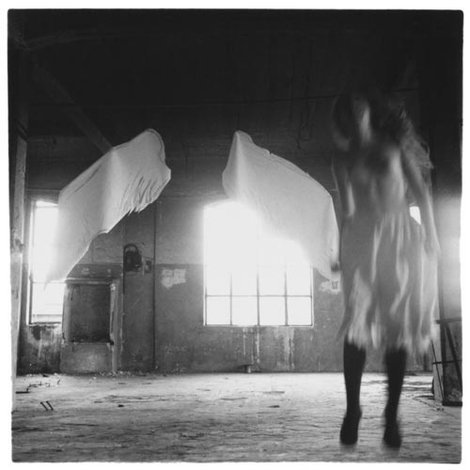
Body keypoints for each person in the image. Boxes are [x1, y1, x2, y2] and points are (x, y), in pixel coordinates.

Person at [330, 90, 440, 449]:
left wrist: (432, 236)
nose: (355, 112)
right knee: (356, 322)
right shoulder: (342, 158)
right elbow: (346, 210)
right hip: (362, 239)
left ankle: (391, 416)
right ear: (344, 119)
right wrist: (339, 249)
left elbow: (421, 193)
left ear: (369, 113)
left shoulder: (394, 148)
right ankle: (352, 409)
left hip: (400, 237)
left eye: (359, 107)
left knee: (398, 326)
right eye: (348, 110)